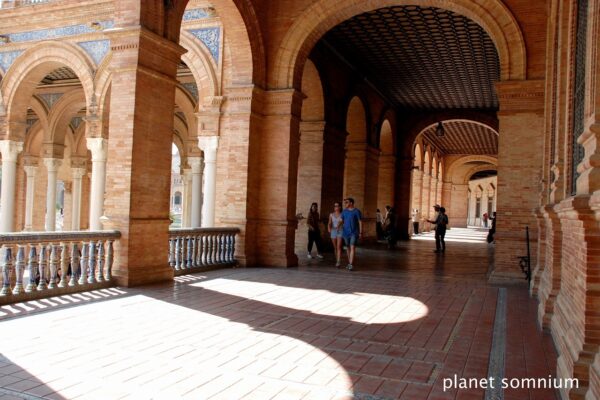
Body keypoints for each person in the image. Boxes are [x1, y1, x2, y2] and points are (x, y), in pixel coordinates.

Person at [341, 197, 362, 270]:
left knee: (352, 246)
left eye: (347, 202)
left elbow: (360, 222)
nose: (345, 204)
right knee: (348, 247)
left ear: (351, 203)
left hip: (354, 232)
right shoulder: (344, 211)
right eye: (345, 202)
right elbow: (341, 221)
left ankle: (350, 264)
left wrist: (360, 232)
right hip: (345, 232)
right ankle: (349, 262)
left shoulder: (357, 211)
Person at [328, 202, 344, 267]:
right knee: (335, 247)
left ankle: (338, 261)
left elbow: (342, 222)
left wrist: (339, 225)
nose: (335, 207)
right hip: (333, 231)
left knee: (339, 247)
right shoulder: (331, 214)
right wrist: (329, 228)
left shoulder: (342, 214)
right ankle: (337, 259)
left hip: (340, 231)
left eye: (337, 206)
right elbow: (329, 223)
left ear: (340, 207)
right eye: (335, 206)